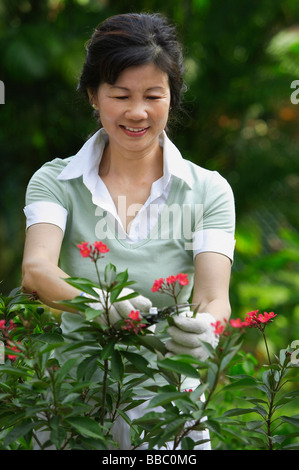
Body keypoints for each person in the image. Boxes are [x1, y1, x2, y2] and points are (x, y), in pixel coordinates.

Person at [22, 13, 235, 450]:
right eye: (120, 95)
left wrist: (205, 329)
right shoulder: (55, 181)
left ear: (172, 98)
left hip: (167, 410)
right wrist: (97, 300)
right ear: (93, 97)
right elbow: (36, 270)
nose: (137, 112)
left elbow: (214, 297)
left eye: (153, 95)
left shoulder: (209, 190)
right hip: (75, 404)